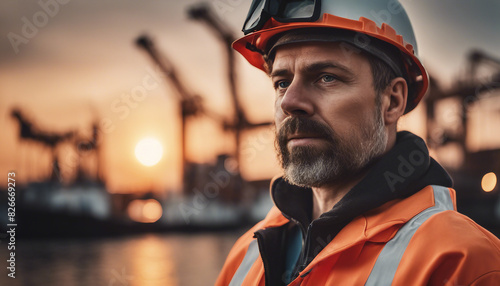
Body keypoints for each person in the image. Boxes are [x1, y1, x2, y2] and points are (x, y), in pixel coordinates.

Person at [216, 1, 500, 285]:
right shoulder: (247, 253)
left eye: (326, 77)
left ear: (392, 101)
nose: (290, 102)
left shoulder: (465, 263)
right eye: (281, 83)